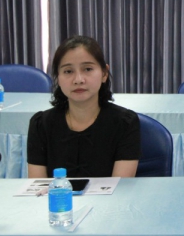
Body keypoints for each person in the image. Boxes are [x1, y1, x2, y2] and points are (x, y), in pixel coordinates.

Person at [27, 35, 140, 178]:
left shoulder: (125, 123)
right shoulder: (40, 124)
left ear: (104, 73)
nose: (78, 80)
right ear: (58, 77)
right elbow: (37, 186)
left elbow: (120, 186)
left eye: (87, 69)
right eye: (68, 71)